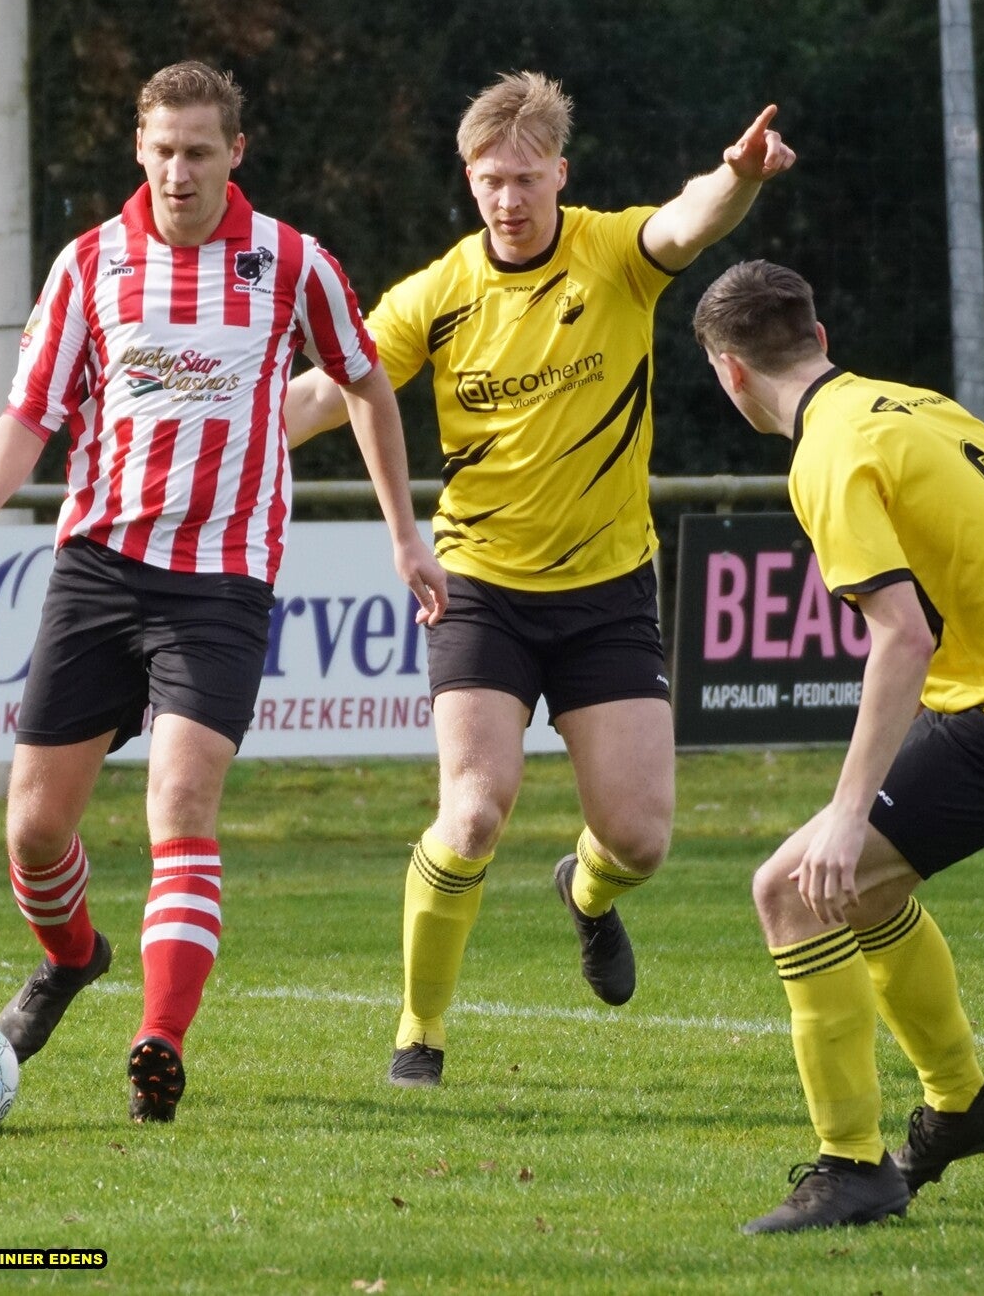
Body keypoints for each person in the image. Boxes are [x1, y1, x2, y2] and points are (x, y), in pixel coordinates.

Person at [0, 61, 446, 1124]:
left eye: (199, 151)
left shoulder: (291, 262)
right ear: (138, 148)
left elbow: (365, 381)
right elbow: (31, 412)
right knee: (33, 830)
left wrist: (405, 533)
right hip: (99, 568)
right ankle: (72, 957)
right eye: (162, 150)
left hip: (221, 581)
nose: (178, 171)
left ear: (234, 154)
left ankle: (158, 1041)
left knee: (180, 803)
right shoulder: (89, 264)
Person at [284, 72, 795, 1088]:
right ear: (468, 180)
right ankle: (420, 1032)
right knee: (474, 809)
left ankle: (586, 893)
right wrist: (218, 434)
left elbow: (688, 220)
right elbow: (329, 392)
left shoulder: (611, 254)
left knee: (639, 841)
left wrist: (738, 177)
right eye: (490, 180)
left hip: (608, 590)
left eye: (525, 178)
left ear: (560, 173)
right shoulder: (436, 294)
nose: (508, 199)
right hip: (479, 586)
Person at [691, 259, 984, 1233]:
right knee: (867, 891)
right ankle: (961, 1104)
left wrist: (849, 814)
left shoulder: (827, 454)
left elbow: (901, 636)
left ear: (729, 371)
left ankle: (852, 1166)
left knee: (789, 891)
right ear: (819, 338)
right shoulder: (914, 404)